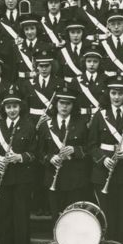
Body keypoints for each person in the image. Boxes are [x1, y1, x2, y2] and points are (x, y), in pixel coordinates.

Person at [0, 89, 37, 244]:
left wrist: (21, 157)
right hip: (2, 177)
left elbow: (35, 153)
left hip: (22, 178)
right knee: (4, 215)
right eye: (8, 107)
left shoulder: (29, 126)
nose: (12, 110)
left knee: (21, 215)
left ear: (20, 107)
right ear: (4, 109)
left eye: (15, 106)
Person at [90, 78, 123, 241]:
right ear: (108, 94)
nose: (117, 97)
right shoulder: (100, 115)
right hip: (104, 170)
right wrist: (103, 160)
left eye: (120, 93)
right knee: (106, 212)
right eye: (113, 93)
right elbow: (91, 145)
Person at [38, 86, 90, 218]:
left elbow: (90, 148)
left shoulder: (82, 123)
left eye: (68, 103)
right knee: (56, 215)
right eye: (61, 102)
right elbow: (38, 151)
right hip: (53, 177)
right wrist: (49, 158)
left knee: (73, 215)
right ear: (56, 103)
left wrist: (75, 150)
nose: (64, 106)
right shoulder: (46, 125)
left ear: (73, 105)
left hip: (75, 179)